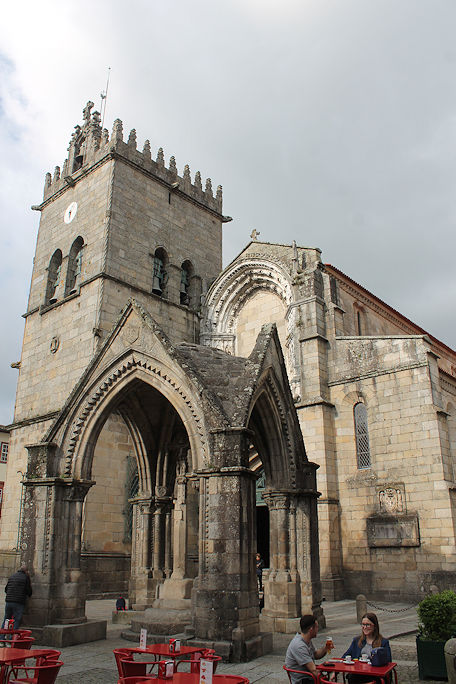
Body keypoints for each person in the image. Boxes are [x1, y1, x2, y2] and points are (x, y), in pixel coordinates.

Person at [342, 612, 392, 683]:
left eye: (368, 625)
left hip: (375, 674)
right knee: (352, 676)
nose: (365, 627)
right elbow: (345, 656)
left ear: (374, 626)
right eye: (363, 624)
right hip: (359, 673)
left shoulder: (383, 642)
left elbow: (388, 662)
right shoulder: (357, 640)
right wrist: (335, 672)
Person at [285, 614, 331, 682]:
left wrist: (326, 648)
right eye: (317, 627)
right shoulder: (299, 645)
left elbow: (316, 655)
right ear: (311, 629)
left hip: (309, 676)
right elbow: (314, 670)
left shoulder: (307, 641)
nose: (317, 630)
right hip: (302, 680)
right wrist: (326, 681)